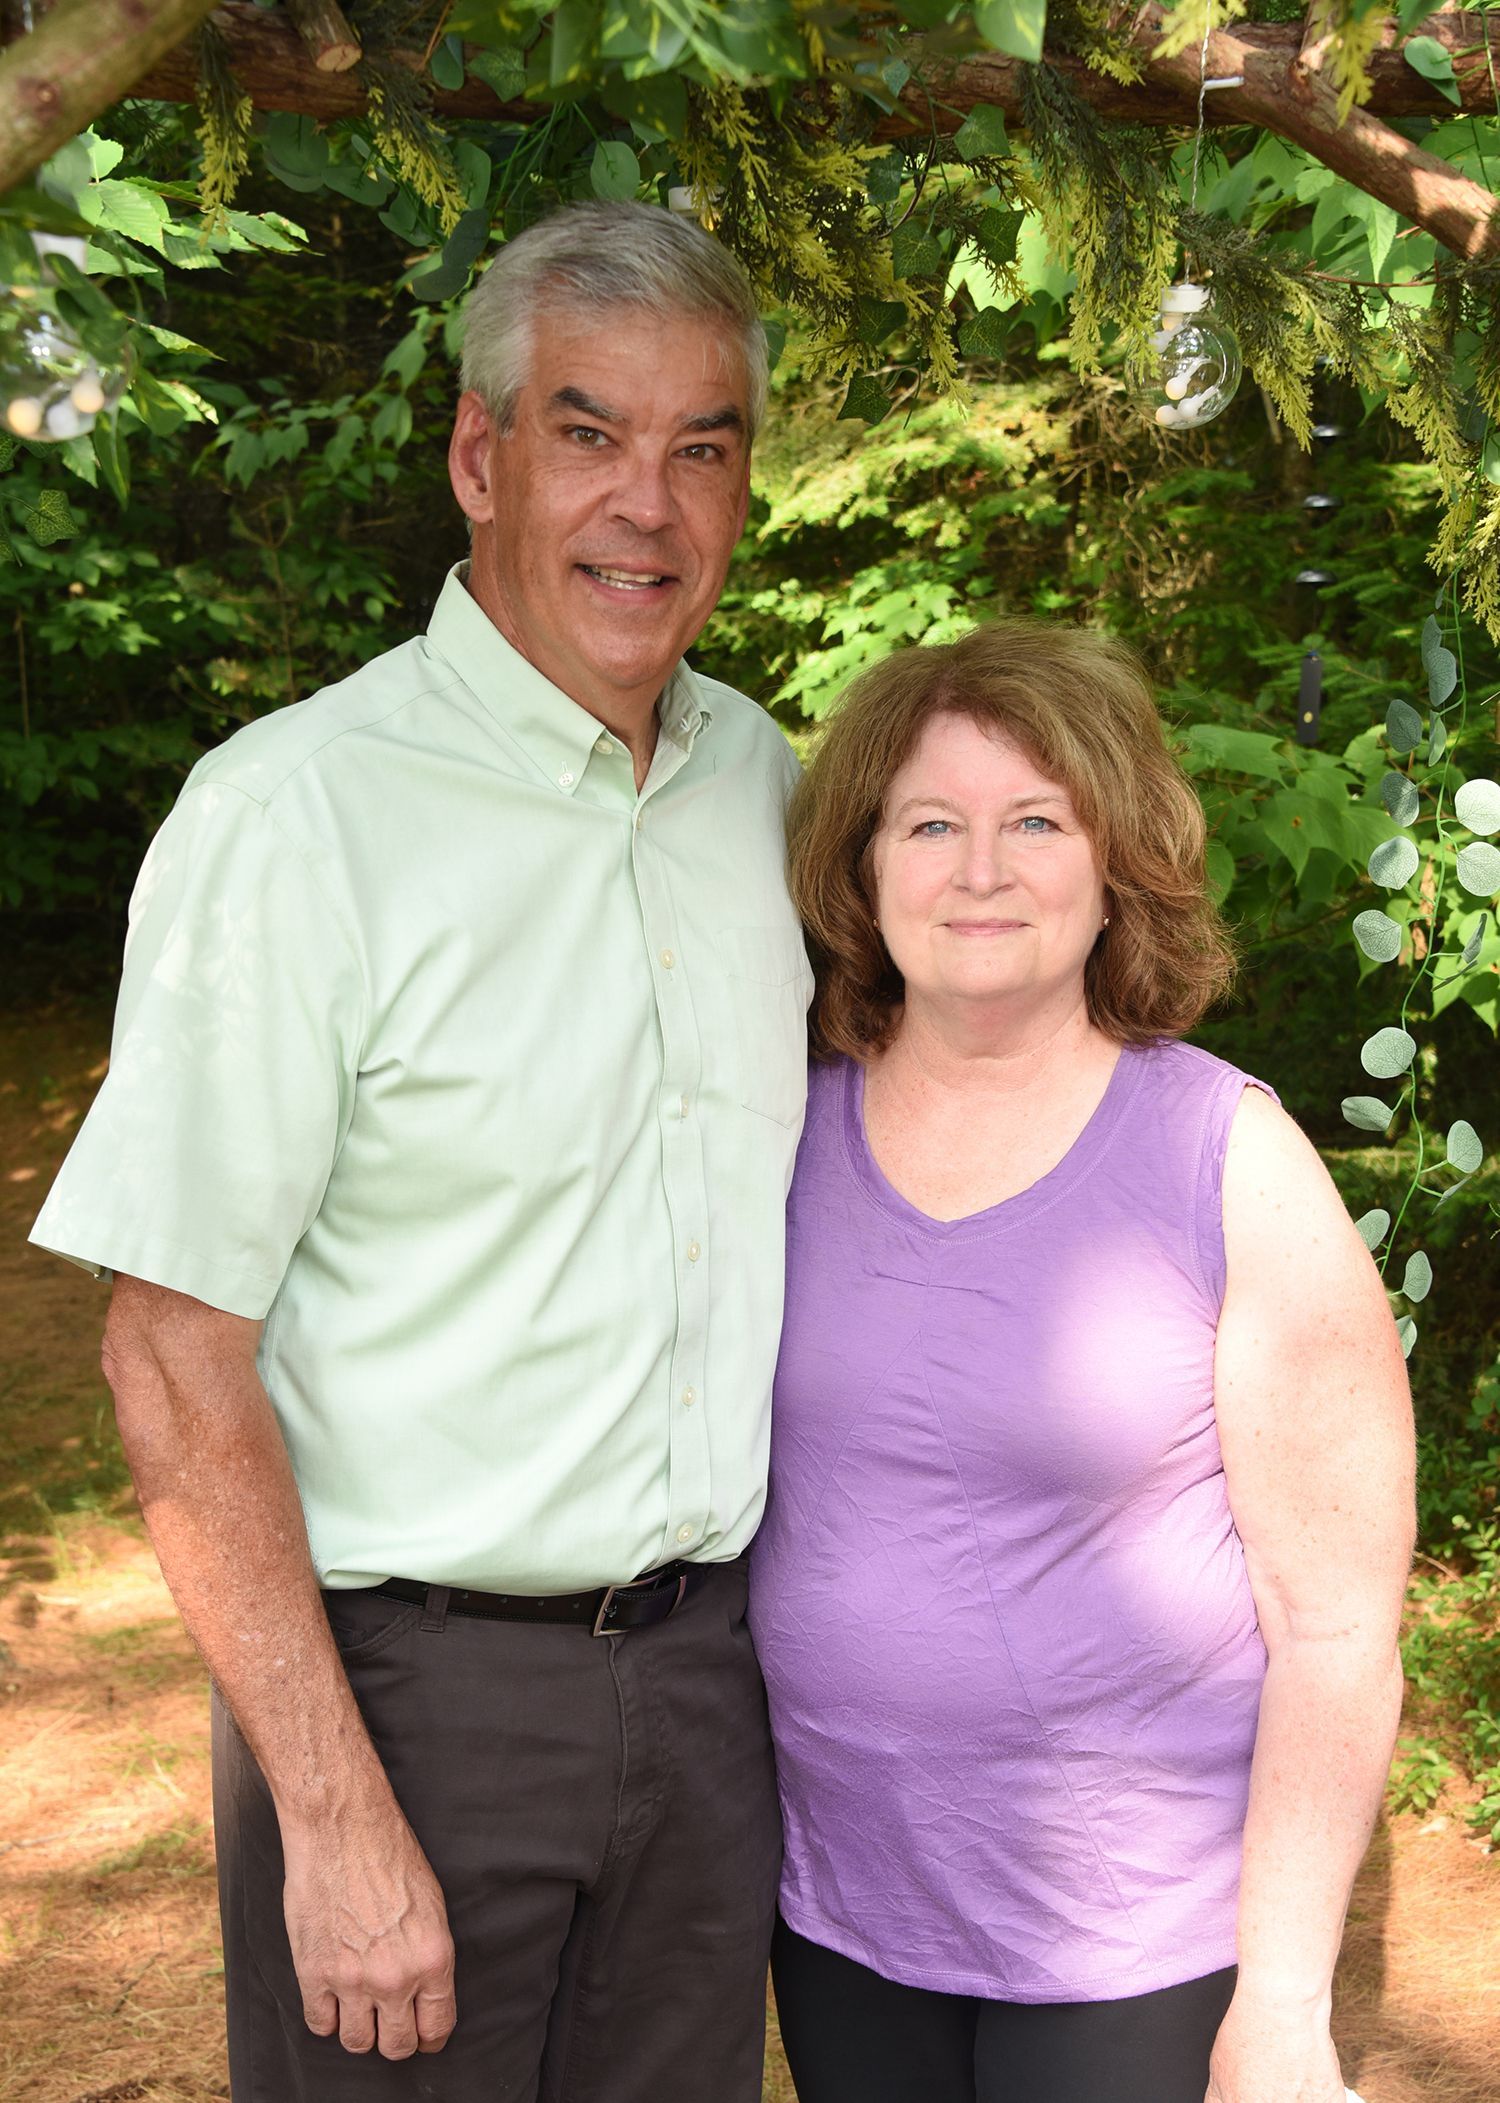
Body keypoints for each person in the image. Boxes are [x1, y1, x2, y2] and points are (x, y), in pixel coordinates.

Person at [29, 201, 810, 2102]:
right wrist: (334, 1811)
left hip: (713, 1692)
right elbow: (170, 1342)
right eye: (588, 432)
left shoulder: (763, 792)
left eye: (702, 445)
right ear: (478, 456)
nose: (650, 502)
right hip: (414, 1705)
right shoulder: (297, 818)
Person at [749, 622, 1415, 2103]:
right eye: (931, 823)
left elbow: (1338, 1624)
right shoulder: (771, 1142)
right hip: (843, 1914)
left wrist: (1288, 2004)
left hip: (1135, 1941)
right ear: (863, 867)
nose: (980, 869)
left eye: (1035, 821)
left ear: (1114, 866)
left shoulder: (1223, 1157)